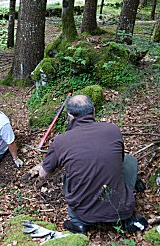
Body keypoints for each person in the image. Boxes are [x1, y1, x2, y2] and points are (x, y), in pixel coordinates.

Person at [39, 94, 144, 234]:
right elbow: (120, 159)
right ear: (93, 111)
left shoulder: (61, 141)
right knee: (129, 160)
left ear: (70, 115)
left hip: (84, 214)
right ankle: (126, 219)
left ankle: (78, 223)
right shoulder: (113, 129)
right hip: (121, 209)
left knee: (68, 175)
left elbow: (43, 174)